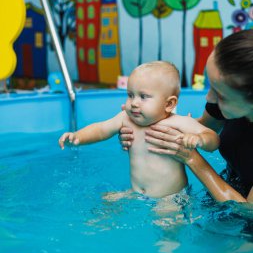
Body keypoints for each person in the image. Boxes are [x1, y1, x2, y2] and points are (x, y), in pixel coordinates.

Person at [119, 30, 253, 203]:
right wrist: (141, 132)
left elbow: (247, 212)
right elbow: (205, 128)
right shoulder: (225, 102)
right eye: (210, 86)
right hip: (231, 183)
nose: (208, 98)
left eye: (220, 95)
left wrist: (191, 158)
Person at [58, 61, 219, 200]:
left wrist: (200, 139)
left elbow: (213, 139)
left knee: (167, 223)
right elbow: (101, 129)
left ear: (169, 104)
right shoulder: (125, 119)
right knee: (107, 199)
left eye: (143, 97)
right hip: (136, 193)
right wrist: (78, 136)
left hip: (170, 198)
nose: (134, 103)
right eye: (130, 95)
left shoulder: (178, 123)